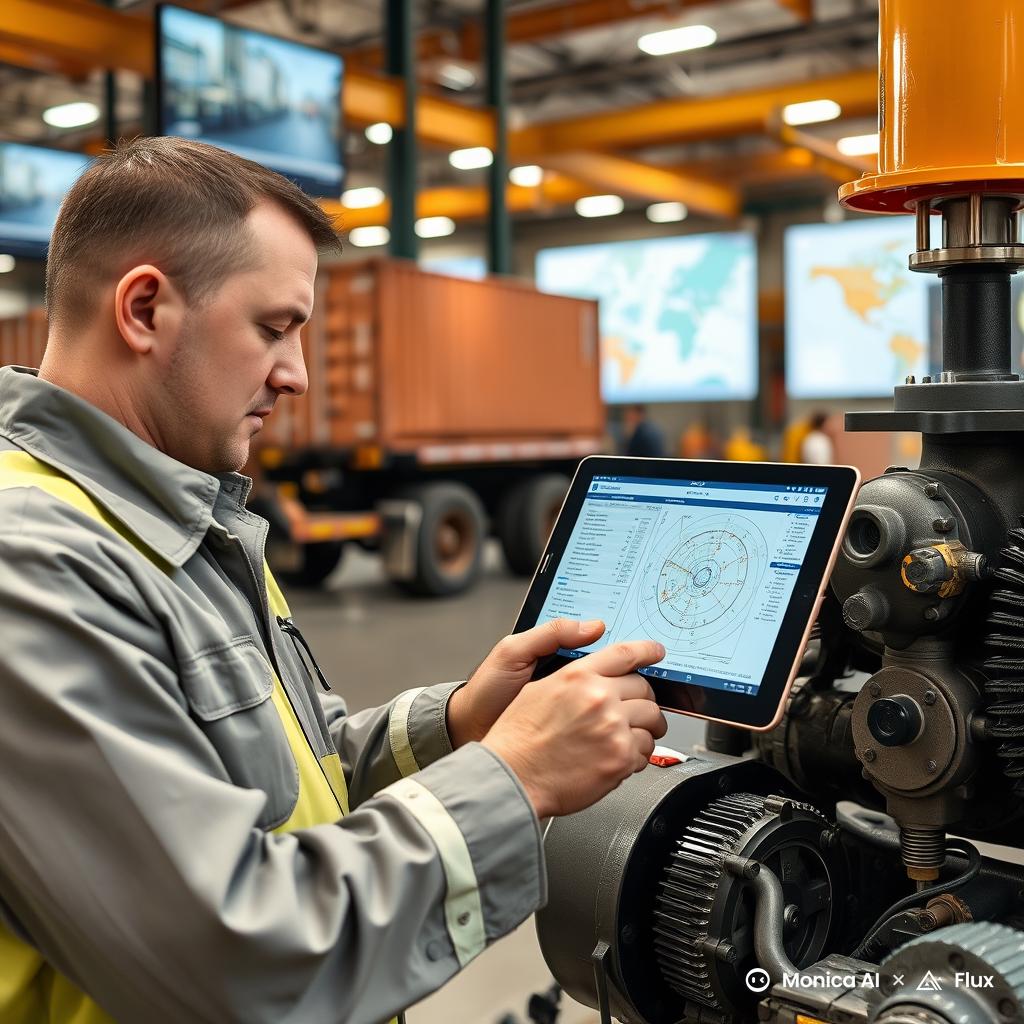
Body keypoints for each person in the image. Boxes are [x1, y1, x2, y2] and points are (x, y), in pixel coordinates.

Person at [0, 138, 668, 1024]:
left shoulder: (185, 522)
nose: (298, 374)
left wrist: (466, 723)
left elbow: (292, 786)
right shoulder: (35, 563)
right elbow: (232, 955)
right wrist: (516, 777)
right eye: (274, 328)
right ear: (146, 308)